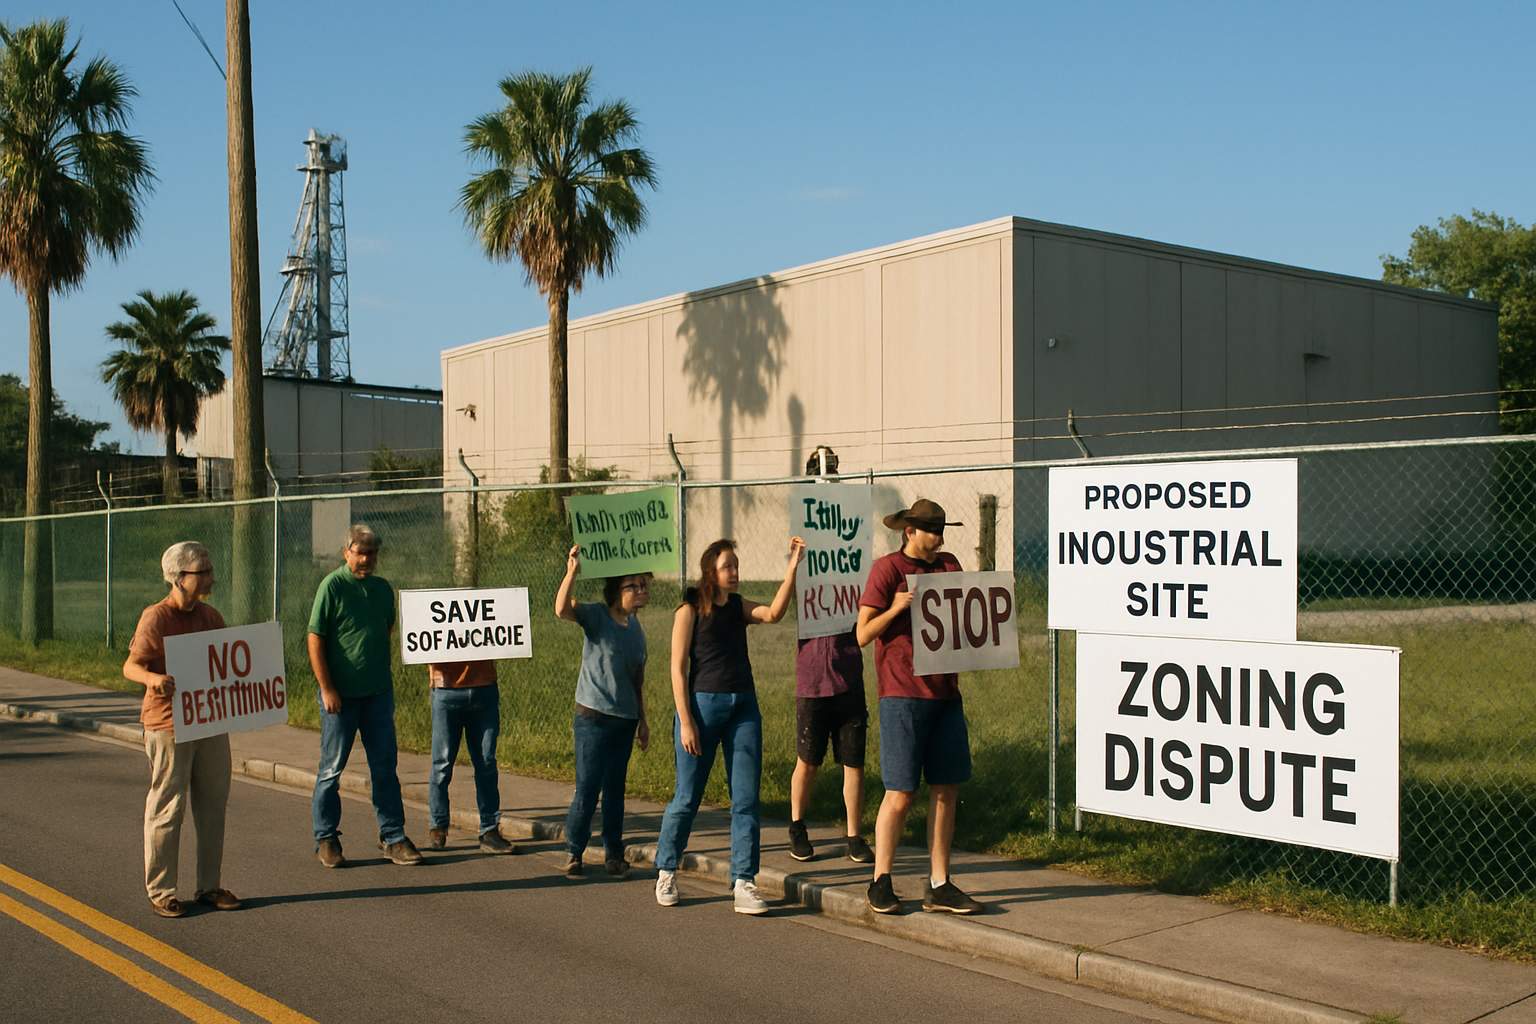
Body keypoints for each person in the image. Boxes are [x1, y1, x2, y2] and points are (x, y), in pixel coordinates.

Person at [655, 536, 806, 915]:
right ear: (711, 571)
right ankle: (667, 869)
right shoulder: (689, 610)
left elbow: (773, 614)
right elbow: (676, 669)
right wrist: (686, 722)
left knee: (745, 800)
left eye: (736, 566)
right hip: (702, 709)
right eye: (728, 567)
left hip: (744, 708)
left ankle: (744, 881)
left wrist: (791, 570)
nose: (735, 573)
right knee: (687, 797)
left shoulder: (737, 607)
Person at [857, 499, 983, 915]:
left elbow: (966, 618)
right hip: (902, 695)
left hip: (946, 694)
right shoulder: (887, 570)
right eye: (931, 529)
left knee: (946, 789)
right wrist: (895, 607)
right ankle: (880, 879)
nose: (939, 537)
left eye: (941, 528)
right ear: (909, 531)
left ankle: (940, 882)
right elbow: (862, 635)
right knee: (901, 792)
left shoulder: (948, 565)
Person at [122, 541, 241, 918]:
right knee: (168, 806)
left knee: (212, 806)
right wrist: (153, 680)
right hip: (168, 725)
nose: (209, 576)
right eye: (201, 571)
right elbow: (131, 666)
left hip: (209, 721)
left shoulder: (211, 617)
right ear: (178, 577)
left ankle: (209, 886)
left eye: (208, 568)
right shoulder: (156, 617)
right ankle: (162, 891)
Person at [307, 524, 422, 868]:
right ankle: (326, 837)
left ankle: (393, 836)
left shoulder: (382, 589)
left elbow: (385, 629)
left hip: (377, 695)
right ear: (347, 552)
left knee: (385, 768)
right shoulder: (333, 586)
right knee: (331, 769)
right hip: (340, 698)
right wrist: (327, 688)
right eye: (360, 552)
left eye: (372, 553)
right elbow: (316, 638)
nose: (367, 559)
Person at [788, 447, 872, 864]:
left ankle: (855, 834)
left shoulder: (851, 538)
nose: (829, 482)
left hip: (848, 673)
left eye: (834, 475)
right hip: (812, 678)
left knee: (853, 762)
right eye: (823, 475)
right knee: (809, 759)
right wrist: (796, 558)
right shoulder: (802, 548)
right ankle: (797, 825)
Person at [553, 547, 652, 878]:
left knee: (615, 791)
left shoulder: (637, 632)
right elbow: (561, 609)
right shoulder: (596, 616)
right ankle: (574, 851)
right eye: (633, 586)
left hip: (624, 722)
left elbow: (637, 681)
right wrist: (572, 572)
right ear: (616, 591)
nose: (641, 591)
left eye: (643, 585)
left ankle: (613, 853)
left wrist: (643, 722)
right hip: (592, 718)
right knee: (587, 788)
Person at [424, 654, 515, 855]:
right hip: (445, 687)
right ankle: (438, 825)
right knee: (442, 764)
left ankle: (489, 829)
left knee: (486, 763)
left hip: (484, 686)